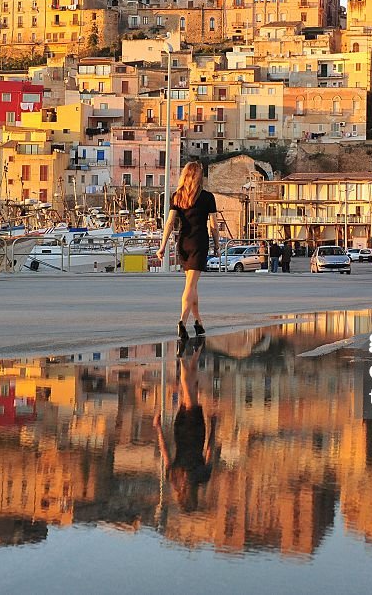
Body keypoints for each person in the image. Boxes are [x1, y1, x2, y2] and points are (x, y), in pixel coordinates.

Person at [156, 161, 219, 340]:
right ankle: (182, 322)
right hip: (199, 243)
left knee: (192, 286)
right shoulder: (207, 197)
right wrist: (216, 245)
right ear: (199, 176)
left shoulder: (177, 196)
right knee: (190, 286)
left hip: (183, 243)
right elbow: (213, 225)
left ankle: (198, 322)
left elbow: (169, 223)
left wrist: (162, 245)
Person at [155, 338, 214, 513]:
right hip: (194, 431)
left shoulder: (174, 479)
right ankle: (185, 355)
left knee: (189, 393)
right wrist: (214, 426)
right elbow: (210, 450)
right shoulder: (201, 478)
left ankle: (190, 354)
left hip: (185, 432)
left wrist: (158, 428)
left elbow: (165, 453)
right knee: (189, 392)